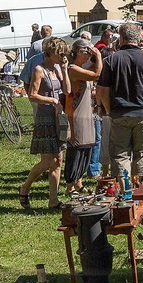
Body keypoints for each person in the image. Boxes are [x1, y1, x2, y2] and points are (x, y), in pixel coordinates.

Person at [96, 22, 143, 181]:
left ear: (121, 38)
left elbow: (103, 91)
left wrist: (109, 110)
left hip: (119, 113)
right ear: (139, 38)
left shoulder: (111, 60)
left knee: (120, 155)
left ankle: (125, 192)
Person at [19, 36, 69, 209]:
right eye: (59, 52)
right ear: (50, 52)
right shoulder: (39, 69)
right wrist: (52, 101)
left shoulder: (58, 68)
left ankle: (53, 200)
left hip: (58, 117)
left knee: (58, 160)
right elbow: (32, 95)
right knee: (48, 161)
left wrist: (65, 69)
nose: (63, 55)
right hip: (45, 117)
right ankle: (25, 187)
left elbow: (67, 90)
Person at [61, 38, 102, 189]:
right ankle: (70, 184)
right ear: (79, 52)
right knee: (77, 147)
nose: (89, 55)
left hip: (87, 113)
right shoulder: (72, 69)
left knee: (87, 147)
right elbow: (96, 74)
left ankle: (79, 181)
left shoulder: (81, 68)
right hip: (76, 113)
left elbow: (93, 72)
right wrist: (98, 57)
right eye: (87, 52)